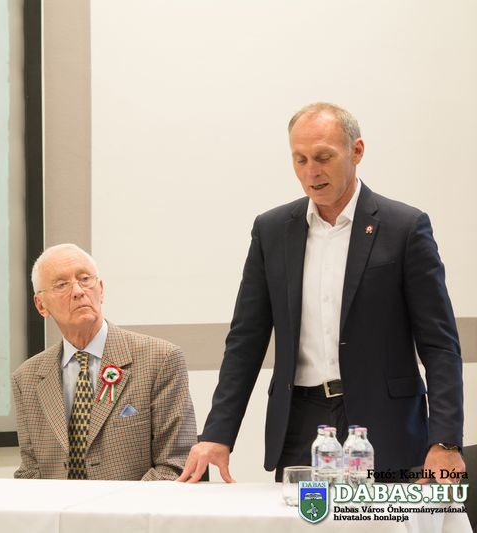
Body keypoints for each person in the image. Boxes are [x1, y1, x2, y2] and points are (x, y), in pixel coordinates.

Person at [178, 102, 464, 484]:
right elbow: (245, 340)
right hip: (302, 425)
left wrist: (445, 440)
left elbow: (439, 344)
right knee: (303, 517)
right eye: (300, 159)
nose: (311, 171)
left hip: (386, 426)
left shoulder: (405, 228)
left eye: (323, 157)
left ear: (356, 151)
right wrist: (218, 433)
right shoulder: (272, 231)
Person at [13, 243, 196, 480]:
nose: (78, 291)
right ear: (41, 305)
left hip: (134, 503)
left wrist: (115, 503)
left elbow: (174, 465)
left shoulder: (160, 360)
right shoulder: (26, 378)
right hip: (59, 505)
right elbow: (30, 473)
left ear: (101, 289)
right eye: (61, 285)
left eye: (85, 279)